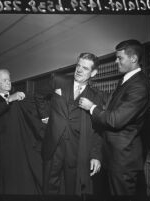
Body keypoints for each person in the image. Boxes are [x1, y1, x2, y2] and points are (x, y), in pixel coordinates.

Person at [79, 39, 150, 196]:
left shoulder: (139, 85)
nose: (115, 61)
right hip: (113, 158)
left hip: (123, 162)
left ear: (133, 59)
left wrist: (91, 107)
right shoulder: (126, 81)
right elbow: (112, 107)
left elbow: (115, 120)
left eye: (120, 58)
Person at [35, 53, 103, 195]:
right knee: (49, 186)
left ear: (93, 73)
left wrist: (96, 155)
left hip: (76, 149)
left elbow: (97, 129)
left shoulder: (96, 97)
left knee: (72, 188)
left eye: (85, 68)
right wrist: (45, 116)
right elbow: (39, 94)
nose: (79, 70)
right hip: (54, 145)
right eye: (78, 65)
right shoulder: (58, 80)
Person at [0, 69, 44, 194]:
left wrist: (44, 117)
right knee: (2, 182)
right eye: (4, 80)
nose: (8, 82)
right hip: (1, 150)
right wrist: (9, 100)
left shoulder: (20, 97)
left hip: (19, 146)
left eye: (9, 79)